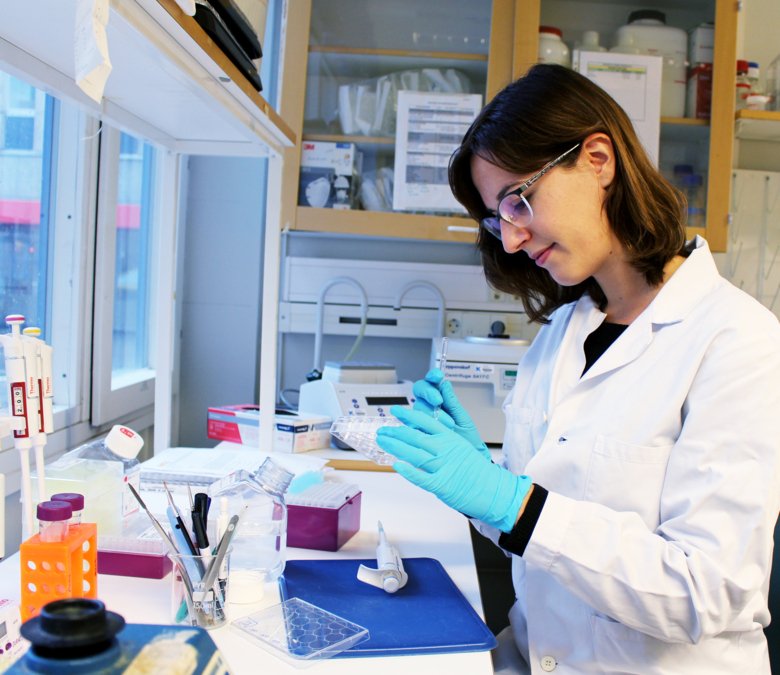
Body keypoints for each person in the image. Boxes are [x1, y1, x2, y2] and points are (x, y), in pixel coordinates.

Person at [376, 64, 780, 674]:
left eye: (519, 200)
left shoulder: (737, 340)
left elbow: (707, 592)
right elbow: (535, 529)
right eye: (497, 218)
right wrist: (483, 488)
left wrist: (512, 502)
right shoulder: (564, 333)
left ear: (597, 160)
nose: (510, 239)